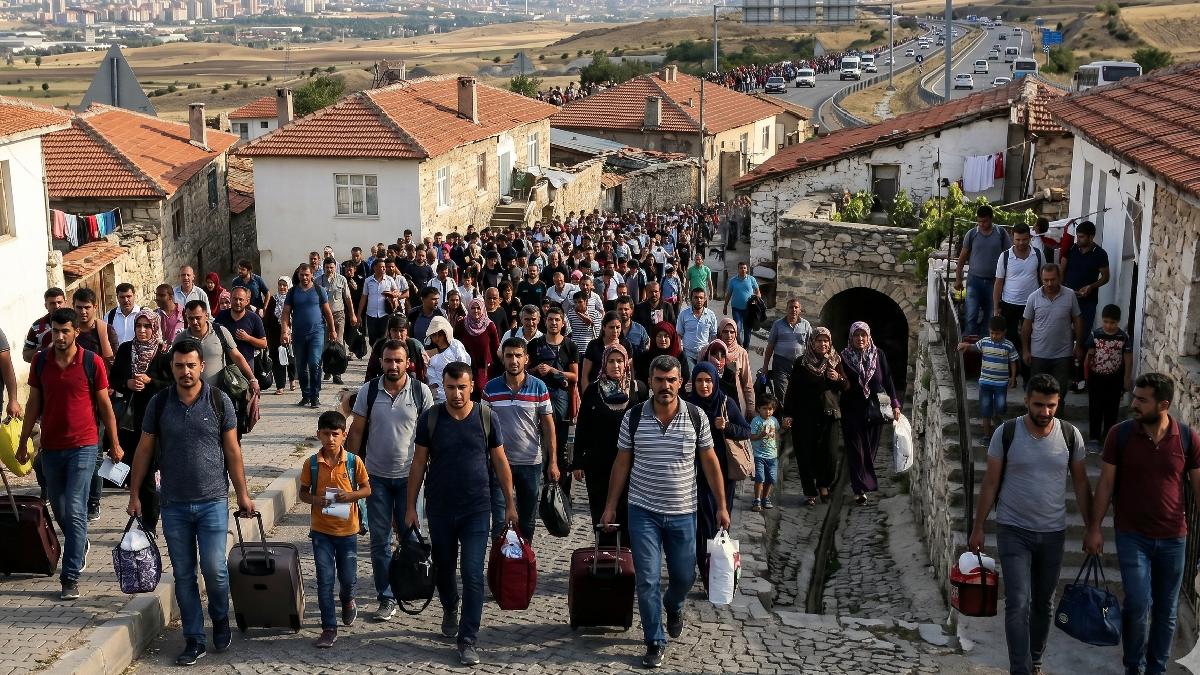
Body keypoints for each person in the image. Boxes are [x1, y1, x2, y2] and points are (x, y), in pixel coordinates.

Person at [126, 339, 256, 666]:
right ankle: (194, 638)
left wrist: (242, 494)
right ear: (172, 368)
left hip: (213, 501)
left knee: (214, 569)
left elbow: (232, 452)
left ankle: (220, 618)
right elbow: (143, 450)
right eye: (179, 365)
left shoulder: (219, 401)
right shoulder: (158, 404)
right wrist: (133, 494)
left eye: (191, 365)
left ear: (202, 366)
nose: (186, 371)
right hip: (174, 505)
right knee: (184, 575)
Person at [601, 355, 728, 669]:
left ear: (680, 382)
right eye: (659, 380)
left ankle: (674, 605)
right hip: (643, 511)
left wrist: (722, 505)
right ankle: (654, 641)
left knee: (685, 577)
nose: (665, 386)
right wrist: (610, 506)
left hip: (684, 512)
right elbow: (621, 463)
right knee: (647, 579)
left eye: (671, 380)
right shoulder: (632, 418)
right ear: (651, 381)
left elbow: (711, 463)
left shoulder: (696, 417)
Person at [970, 375, 1091, 675]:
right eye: (1039, 404)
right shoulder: (1006, 433)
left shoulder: (1070, 435)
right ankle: (1019, 670)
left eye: (1051, 405)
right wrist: (979, 526)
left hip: (1053, 533)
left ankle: (1034, 661)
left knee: (1044, 604)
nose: (1045, 412)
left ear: (1058, 403)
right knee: (1018, 602)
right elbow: (990, 482)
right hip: (1013, 530)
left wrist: (1093, 527)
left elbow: (1080, 482)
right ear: (1026, 401)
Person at [1084, 373, 1200, 675]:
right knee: (1137, 604)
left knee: (1166, 610)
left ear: (1163, 404)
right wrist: (1094, 528)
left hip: (1174, 538)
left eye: (1141, 399)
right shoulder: (1119, 435)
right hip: (1132, 535)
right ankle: (1133, 667)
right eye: (1134, 396)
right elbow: (1106, 484)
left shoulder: (1188, 438)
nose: (1133, 403)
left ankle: (1156, 670)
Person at [407, 361, 517, 667]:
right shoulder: (430, 419)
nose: (456, 394)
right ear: (443, 387)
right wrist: (410, 508)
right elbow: (418, 463)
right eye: (450, 387)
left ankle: (468, 639)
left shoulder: (485, 417)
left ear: (472, 387)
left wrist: (509, 504)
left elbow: (500, 461)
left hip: (476, 510)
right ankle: (450, 606)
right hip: (440, 509)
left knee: (471, 574)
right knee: (444, 570)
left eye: (462, 387)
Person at [17, 308, 123, 601]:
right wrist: (24, 441)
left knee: (75, 508)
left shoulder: (92, 362)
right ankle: (80, 540)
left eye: (66, 331)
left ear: (77, 331)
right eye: (56, 330)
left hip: (84, 445)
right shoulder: (40, 361)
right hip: (51, 447)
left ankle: (70, 576)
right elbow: (33, 406)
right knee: (61, 510)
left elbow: (105, 408)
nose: (60, 336)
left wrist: (114, 443)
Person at [346, 338, 433, 621]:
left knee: (409, 538)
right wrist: (345, 468)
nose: (393, 365)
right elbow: (357, 432)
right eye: (388, 360)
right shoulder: (368, 391)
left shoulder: (421, 392)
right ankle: (386, 596)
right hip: (376, 479)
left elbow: (430, 437)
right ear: (380, 361)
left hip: (411, 480)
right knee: (379, 541)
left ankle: (408, 584)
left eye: (399, 360)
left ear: (408, 362)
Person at [299, 411, 371, 648]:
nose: (330, 439)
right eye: (326, 434)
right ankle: (329, 627)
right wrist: (315, 500)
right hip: (321, 531)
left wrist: (350, 496)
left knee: (348, 578)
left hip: (348, 531)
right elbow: (303, 493)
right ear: (318, 434)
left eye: (335, 434)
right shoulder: (311, 463)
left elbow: (366, 489)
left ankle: (348, 600)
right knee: (324, 579)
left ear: (344, 435)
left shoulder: (353, 462)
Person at [482, 338, 558, 540]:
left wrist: (553, 462)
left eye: (518, 356)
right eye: (509, 356)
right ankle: (499, 566)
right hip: (499, 464)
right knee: (499, 521)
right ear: (503, 359)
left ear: (527, 359)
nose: (513, 360)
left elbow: (548, 426)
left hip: (530, 462)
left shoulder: (539, 387)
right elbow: (482, 428)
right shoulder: (490, 389)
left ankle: (524, 566)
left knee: (527, 522)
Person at [573, 343, 646, 547]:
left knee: (626, 512)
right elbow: (583, 426)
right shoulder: (593, 391)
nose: (615, 365)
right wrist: (578, 460)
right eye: (611, 361)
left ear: (626, 363)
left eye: (620, 361)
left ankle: (626, 560)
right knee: (601, 511)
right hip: (598, 463)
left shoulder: (637, 389)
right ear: (604, 363)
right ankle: (604, 557)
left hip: (630, 463)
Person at [110, 310, 172, 533]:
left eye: (147, 326)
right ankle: (147, 520)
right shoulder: (127, 349)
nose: (143, 330)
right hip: (131, 422)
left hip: (158, 422)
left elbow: (173, 384)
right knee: (140, 470)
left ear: (155, 328)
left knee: (151, 470)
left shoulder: (164, 353)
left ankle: (153, 519)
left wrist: (150, 381)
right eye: (139, 326)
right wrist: (127, 383)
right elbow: (113, 378)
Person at [688, 361, 748, 586]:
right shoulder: (688, 405)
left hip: (724, 475)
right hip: (697, 473)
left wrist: (727, 427)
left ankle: (719, 565)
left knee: (721, 520)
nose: (704, 385)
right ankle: (707, 573)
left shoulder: (726, 403)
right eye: (699, 381)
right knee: (702, 522)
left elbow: (745, 430)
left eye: (708, 380)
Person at [783, 327, 846, 505]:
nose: (822, 344)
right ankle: (810, 491)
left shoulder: (835, 361)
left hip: (828, 415)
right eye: (819, 340)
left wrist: (837, 379)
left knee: (830, 453)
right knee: (805, 454)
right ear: (812, 342)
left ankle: (824, 485)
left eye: (826, 340)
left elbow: (845, 385)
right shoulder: (801, 363)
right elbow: (792, 390)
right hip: (804, 416)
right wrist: (788, 414)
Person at [839, 322, 900, 505]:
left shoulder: (878, 354)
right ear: (851, 337)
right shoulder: (844, 357)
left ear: (868, 336)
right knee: (856, 449)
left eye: (863, 335)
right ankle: (859, 490)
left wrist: (895, 404)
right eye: (856, 335)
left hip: (875, 409)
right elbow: (840, 381)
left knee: (870, 449)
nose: (860, 339)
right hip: (851, 408)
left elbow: (887, 379)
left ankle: (863, 481)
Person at [526, 306, 579, 496]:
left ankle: (561, 495)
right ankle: (541, 493)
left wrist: (554, 372)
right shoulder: (534, 345)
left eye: (557, 319)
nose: (554, 323)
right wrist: (536, 371)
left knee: (561, 448)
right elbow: (525, 373)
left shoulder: (570, 346)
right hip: (538, 401)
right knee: (540, 449)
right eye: (550, 319)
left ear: (563, 323)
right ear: (545, 321)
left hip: (561, 401)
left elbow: (575, 376)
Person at [1021, 263, 1083, 407]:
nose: (1049, 283)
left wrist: (1078, 345)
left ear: (1060, 277)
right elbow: (1026, 325)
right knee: (1037, 393)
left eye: (1053, 279)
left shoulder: (1070, 295)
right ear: (1041, 279)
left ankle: (1058, 427)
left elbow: (1077, 320)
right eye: (1046, 280)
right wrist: (1025, 350)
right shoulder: (1033, 298)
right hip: (1038, 354)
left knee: (1059, 394)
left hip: (1062, 354)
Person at [174, 300, 259, 396]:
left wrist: (252, 379)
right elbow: (173, 364)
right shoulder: (180, 339)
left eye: (198, 318)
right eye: (191, 318)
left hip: (219, 393)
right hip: (190, 395)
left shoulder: (220, 332)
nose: (194, 322)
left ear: (206, 316)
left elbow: (237, 356)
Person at [282, 263, 337, 409]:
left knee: (314, 364)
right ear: (298, 275)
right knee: (301, 368)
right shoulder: (293, 292)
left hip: (316, 333)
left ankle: (315, 396)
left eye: (307, 274)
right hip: (299, 335)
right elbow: (286, 313)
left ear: (312, 275)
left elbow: (327, 311)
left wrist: (332, 330)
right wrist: (284, 331)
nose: (304, 277)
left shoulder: (319, 290)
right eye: (302, 274)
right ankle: (305, 395)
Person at [992, 223, 1043, 382]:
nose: (1021, 242)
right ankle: (1009, 373)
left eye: (1024, 239)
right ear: (1012, 238)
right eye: (1018, 239)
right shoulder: (1005, 256)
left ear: (1030, 238)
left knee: (1031, 339)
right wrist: (996, 307)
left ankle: (1028, 375)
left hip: (1031, 304)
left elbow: (1043, 278)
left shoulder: (1038, 254)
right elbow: (998, 282)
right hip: (1009, 303)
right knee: (1010, 338)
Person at [958, 315, 1019, 445]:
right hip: (985, 382)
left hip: (1001, 383)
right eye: (991, 332)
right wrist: (965, 345)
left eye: (997, 333)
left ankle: (997, 415)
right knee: (985, 409)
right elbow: (974, 347)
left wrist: (1013, 376)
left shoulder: (1008, 345)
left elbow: (1013, 360)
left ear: (1004, 332)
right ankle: (986, 435)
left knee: (1001, 406)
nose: (994, 335)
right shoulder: (985, 342)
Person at [955, 205, 1012, 337]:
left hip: (994, 282)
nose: (981, 224)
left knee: (990, 316)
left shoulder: (1001, 234)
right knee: (970, 315)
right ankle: (972, 344)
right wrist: (958, 278)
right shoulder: (972, 234)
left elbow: (1008, 257)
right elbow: (962, 257)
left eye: (984, 221)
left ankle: (986, 345)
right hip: (974, 281)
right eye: (979, 221)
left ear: (991, 219)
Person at [1083, 304, 1132, 453]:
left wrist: (1127, 377)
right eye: (1105, 321)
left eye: (1112, 322)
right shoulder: (1095, 335)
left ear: (1118, 321)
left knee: (1112, 408)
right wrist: (1085, 376)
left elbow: (1128, 358)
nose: (1108, 325)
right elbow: (1089, 356)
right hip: (1096, 377)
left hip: (1115, 377)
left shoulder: (1123, 337)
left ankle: (1109, 438)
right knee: (1095, 407)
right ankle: (1094, 438)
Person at [1060, 220, 1110, 333]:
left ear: (1091, 237)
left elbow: (1105, 277)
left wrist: (1090, 287)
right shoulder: (1072, 249)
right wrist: (1060, 289)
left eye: (1082, 237)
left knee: (1083, 333)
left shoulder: (1100, 254)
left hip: (1088, 301)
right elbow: (1062, 270)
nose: (1078, 239)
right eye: (1077, 236)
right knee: (1062, 330)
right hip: (1068, 297)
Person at [700, 318, 755, 419]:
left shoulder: (741, 353)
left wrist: (751, 408)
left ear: (736, 333)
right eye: (725, 332)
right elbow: (697, 376)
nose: (729, 335)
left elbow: (747, 383)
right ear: (719, 332)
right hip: (711, 402)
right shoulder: (707, 350)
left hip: (735, 403)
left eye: (732, 332)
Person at [365, 315, 428, 384]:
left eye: (401, 331)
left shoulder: (413, 346)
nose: (398, 334)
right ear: (389, 332)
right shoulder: (380, 345)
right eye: (395, 330)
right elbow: (370, 372)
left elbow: (420, 374)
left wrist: (421, 390)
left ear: (407, 331)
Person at [454, 299, 498, 397]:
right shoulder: (461, 325)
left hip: (484, 369)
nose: (476, 310)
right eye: (473, 308)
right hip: (465, 368)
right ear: (469, 309)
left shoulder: (489, 326)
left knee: (481, 391)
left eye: (478, 308)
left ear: (483, 309)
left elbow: (495, 349)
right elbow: (454, 344)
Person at [214, 287, 267, 369]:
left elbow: (263, 344)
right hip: (225, 364)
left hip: (247, 364)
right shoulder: (221, 316)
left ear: (247, 301)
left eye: (241, 299)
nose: (237, 302)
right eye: (235, 299)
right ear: (230, 299)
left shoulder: (254, 318)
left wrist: (248, 338)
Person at [581, 312, 633, 393]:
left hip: (621, 391)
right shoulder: (594, 345)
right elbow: (585, 375)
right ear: (604, 327)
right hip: (597, 392)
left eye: (618, 327)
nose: (615, 331)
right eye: (611, 327)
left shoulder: (626, 345)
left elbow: (630, 371)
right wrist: (587, 397)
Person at [316, 257, 356, 363]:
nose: (329, 270)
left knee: (338, 341)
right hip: (323, 316)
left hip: (339, 314)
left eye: (331, 267)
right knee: (325, 342)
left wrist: (352, 314)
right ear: (324, 268)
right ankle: (327, 367)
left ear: (335, 268)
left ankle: (337, 371)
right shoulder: (318, 281)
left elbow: (347, 298)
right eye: (327, 267)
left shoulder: (341, 279)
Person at [676, 287, 717, 377]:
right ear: (691, 299)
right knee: (691, 377)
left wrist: (713, 353)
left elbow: (714, 336)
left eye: (701, 298)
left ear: (705, 299)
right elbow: (679, 334)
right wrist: (679, 351)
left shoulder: (711, 315)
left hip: (704, 354)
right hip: (688, 354)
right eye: (696, 297)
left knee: (703, 377)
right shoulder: (684, 314)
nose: (698, 300)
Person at [265, 277, 297, 394]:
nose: (282, 287)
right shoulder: (273, 300)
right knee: (277, 361)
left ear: (289, 286)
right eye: (280, 285)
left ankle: (292, 379)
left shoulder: (293, 300)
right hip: (274, 335)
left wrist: (291, 332)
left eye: (285, 285)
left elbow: (296, 317)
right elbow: (267, 318)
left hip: (290, 334)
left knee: (291, 358)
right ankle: (280, 386)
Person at [359, 258, 400, 346]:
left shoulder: (389, 280)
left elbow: (396, 292)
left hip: (385, 314)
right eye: (381, 267)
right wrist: (359, 315)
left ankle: (382, 356)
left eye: (384, 267)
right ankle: (374, 356)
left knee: (384, 338)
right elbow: (364, 298)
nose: (384, 269)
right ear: (375, 268)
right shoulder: (368, 281)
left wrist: (391, 293)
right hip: (371, 314)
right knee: (372, 338)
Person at [750, 397, 779, 512]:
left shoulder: (774, 421)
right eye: (764, 408)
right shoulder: (756, 421)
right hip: (759, 455)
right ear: (758, 409)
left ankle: (765, 498)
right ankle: (757, 499)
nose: (767, 411)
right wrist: (761, 435)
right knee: (759, 478)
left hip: (772, 455)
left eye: (770, 409)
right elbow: (751, 436)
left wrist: (785, 427)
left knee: (770, 479)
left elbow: (777, 432)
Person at [22, 287, 66, 363]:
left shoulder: (76, 322)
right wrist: (43, 350)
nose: (57, 306)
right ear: (46, 305)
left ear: (65, 302)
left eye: (59, 302)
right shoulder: (37, 326)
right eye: (52, 303)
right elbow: (26, 356)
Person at [723, 262, 761, 349]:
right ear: (738, 269)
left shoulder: (751, 279)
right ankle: (739, 347)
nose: (743, 270)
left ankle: (746, 348)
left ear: (747, 269)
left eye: (744, 268)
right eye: (741, 268)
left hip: (749, 309)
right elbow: (729, 294)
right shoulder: (733, 281)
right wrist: (725, 306)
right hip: (736, 309)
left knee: (747, 331)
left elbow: (758, 293)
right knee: (738, 329)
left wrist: (756, 300)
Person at [567, 291, 603, 357]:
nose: (577, 305)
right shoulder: (571, 313)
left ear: (586, 301)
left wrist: (590, 322)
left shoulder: (595, 314)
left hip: (589, 349)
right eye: (575, 302)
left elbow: (597, 333)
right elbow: (568, 331)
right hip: (574, 349)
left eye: (580, 302)